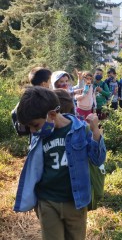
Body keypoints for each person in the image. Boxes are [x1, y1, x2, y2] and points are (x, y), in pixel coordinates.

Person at [14, 86, 106, 240]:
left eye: (35, 125)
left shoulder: (81, 130)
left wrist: (95, 131)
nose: (32, 131)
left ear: (51, 114)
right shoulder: (40, 135)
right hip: (48, 202)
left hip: (75, 202)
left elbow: (98, 159)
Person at [12, 67, 52, 136]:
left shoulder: (27, 96)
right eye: (50, 81)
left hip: (33, 139)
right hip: (45, 136)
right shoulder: (43, 98)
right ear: (43, 84)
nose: (51, 83)